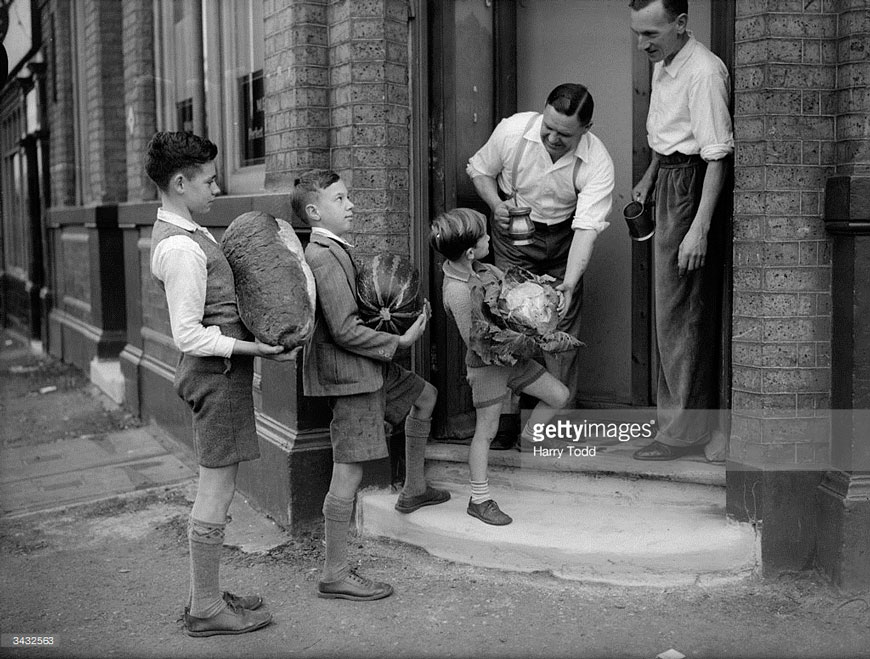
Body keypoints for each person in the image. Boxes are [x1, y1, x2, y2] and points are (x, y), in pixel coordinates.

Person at [146, 131, 294, 636]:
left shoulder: (191, 232)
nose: (217, 189)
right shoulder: (182, 250)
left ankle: (204, 594)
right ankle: (205, 609)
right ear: (180, 182)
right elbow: (188, 334)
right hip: (216, 376)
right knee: (216, 487)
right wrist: (257, 349)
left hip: (221, 375)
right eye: (209, 181)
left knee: (219, 485)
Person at [293, 169, 450, 601]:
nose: (351, 205)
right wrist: (398, 339)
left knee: (426, 396)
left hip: (368, 367)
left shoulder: (338, 250)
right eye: (340, 199)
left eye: (348, 198)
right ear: (314, 211)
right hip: (351, 376)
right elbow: (343, 329)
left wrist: (395, 312)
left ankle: (414, 487)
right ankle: (334, 572)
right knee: (349, 471)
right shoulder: (322, 256)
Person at [466, 83, 614, 448]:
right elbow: (479, 169)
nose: (551, 137)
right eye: (548, 126)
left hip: (567, 239)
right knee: (506, 324)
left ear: (587, 128)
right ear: (543, 111)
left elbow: (587, 229)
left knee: (559, 328)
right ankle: (503, 421)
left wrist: (570, 282)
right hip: (515, 236)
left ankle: (553, 426)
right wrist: (495, 204)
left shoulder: (597, 161)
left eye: (564, 134)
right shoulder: (513, 131)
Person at [629, 0, 733, 461]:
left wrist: (699, 229)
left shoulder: (704, 72)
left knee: (684, 314)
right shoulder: (664, 62)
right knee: (670, 314)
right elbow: (669, 135)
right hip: (669, 181)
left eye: (651, 33)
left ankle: (680, 435)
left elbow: (716, 155)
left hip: (693, 187)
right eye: (638, 32)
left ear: (681, 24)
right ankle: (677, 424)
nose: (641, 43)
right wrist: (650, 178)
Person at [431, 208, 570, 525]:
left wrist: (542, 301)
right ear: (469, 251)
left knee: (559, 396)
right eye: (484, 237)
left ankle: (530, 438)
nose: (490, 238)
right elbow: (478, 342)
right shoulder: (456, 291)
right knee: (486, 433)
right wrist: (526, 339)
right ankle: (479, 500)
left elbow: (511, 299)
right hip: (487, 368)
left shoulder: (485, 270)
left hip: (513, 360)